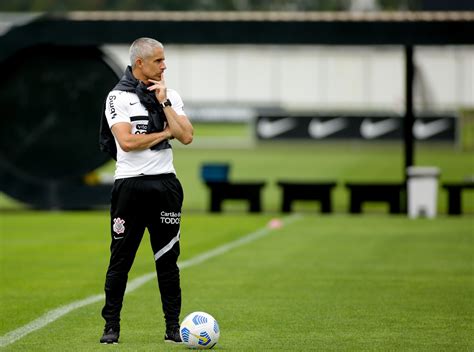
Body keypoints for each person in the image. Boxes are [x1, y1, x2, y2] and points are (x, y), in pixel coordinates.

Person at [98, 37, 193, 345]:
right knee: (120, 260)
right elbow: (126, 142)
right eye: (158, 61)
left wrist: (164, 103)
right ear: (139, 64)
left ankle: (172, 328)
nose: (164, 66)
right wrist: (167, 132)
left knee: (167, 260)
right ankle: (111, 326)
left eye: (164, 60)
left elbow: (188, 136)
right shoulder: (117, 98)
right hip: (130, 185)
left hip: (165, 184)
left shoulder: (170, 95)